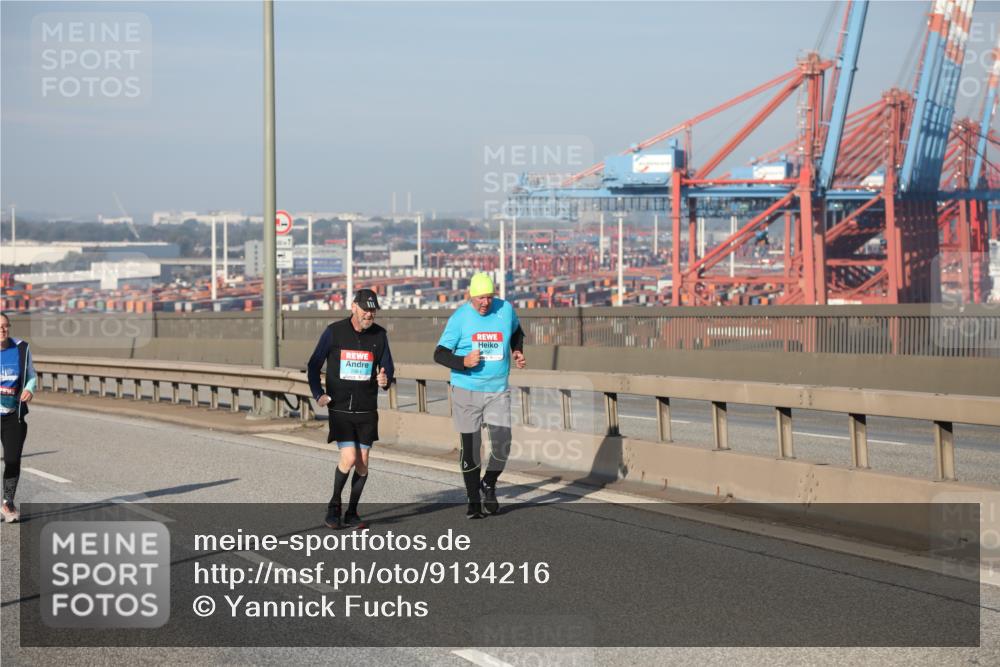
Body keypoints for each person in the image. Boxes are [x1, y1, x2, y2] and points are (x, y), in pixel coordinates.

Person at [434, 273, 526, 519]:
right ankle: (473, 500)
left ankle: (489, 482)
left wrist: (517, 350)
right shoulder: (460, 318)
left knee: (502, 445)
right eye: (480, 298)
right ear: (470, 296)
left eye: (489, 297)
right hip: (466, 390)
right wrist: (462, 361)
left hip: (497, 390)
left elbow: (517, 332)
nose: (485, 303)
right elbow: (440, 354)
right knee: (472, 447)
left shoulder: (505, 310)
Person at [307, 289, 394, 530]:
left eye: (373, 310)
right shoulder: (334, 332)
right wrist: (318, 394)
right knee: (350, 456)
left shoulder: (380, 336)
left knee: (363, 461)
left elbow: (387, 368)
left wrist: (385, 380)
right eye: (365, 309)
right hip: (340, 407)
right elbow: (313, 365)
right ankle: (333, 507)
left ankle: (352, 512)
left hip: (367, 408)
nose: (369, 314)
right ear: (353, 307)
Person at [1, 312, 36, 524]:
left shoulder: (21, 348)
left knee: (12, 459)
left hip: (14, 415)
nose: (2, 330)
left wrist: (30, 389)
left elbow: (31, 375)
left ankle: (8, 502)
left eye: (5, 326)